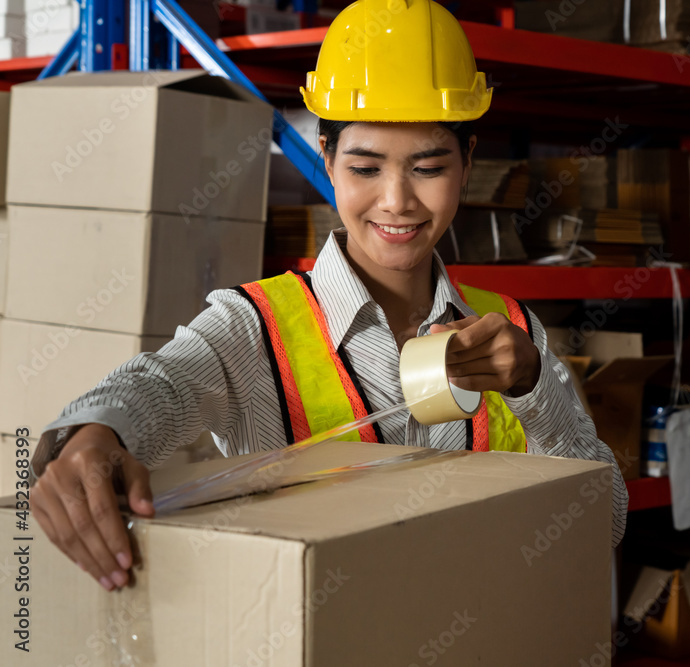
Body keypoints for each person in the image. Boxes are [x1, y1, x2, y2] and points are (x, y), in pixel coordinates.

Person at [29, 0, 627, 593]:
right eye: (366, 168)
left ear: (467, 164)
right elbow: (156, 387)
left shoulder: (513, 332)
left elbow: (606, 523)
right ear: (328, 159)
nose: (397, 201)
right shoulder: (253, 329)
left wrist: (533, 389)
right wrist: (94, 437)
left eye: (428, 168)